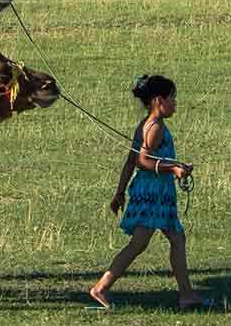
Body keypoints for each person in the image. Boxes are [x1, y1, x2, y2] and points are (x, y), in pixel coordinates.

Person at [88, 73, 206, 311]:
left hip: (151, 190)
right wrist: (173, 168)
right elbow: (142, 161)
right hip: (155, 192)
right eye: (172, 98)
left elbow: (130, 160)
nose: (175, 103)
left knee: (164, 239)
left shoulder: (144, 124)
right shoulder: (156, 127)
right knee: (156, 240)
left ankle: (186, 294)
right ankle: (101, 288)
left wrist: (120, 192)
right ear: (158, 101)